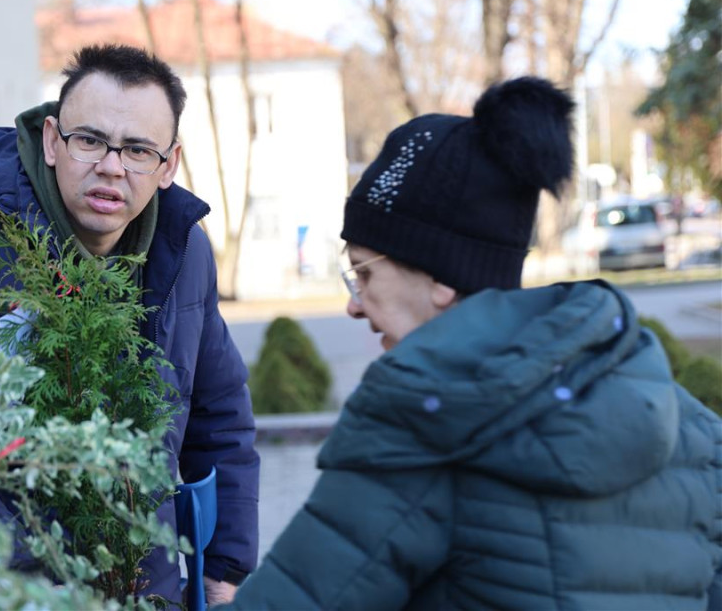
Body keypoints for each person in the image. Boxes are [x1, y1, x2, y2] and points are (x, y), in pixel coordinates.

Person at [221, 77, 722, 610]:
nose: (354, 303)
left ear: (441, 279)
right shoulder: (690, 426)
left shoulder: (422, 423)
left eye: (362, 273)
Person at [0, 44, 259, 605]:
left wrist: (223, 565)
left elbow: (217, 414)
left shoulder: (184, 250)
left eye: (138, 150)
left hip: (146, 583)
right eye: (91, 140)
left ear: (169, 164)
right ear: (53, 140)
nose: (111, 166)